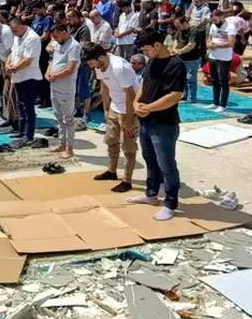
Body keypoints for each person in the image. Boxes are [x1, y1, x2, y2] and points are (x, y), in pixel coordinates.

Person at [128, 26, 186, 221]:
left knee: (167, 165)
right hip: (146, 121)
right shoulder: (152, 61)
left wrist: (150, 107)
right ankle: (151, 193)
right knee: (150, 160)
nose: (146, 54)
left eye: (147, 50)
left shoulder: (176, 64)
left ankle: (171, 203)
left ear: (158, 44)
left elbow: (175, 95)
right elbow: (144, 84)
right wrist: (137, 102)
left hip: (164, 123)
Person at [83, 41, 139, 192]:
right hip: (115, 107)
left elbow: (131, 96)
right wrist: (106, 109)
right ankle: (112, 171)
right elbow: (104, 87)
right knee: (111, 141)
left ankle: (127, 180)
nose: (91, 67)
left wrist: (128, 120)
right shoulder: (100, 66)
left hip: (129, 109)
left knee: (128, 145)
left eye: (92, 63)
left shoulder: (119, 68)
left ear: (101, 57)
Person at [6, 17, 44, 148]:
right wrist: (8, 63)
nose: (14, 34)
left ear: (22, 27)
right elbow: (13, 52)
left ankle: (29, 135)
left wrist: (14, 68)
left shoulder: (32, 38)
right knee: (20, 105)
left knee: (28, 107)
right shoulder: (18, 36)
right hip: (18, 76)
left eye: (15, 31)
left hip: (29, 77)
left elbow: (28, 60)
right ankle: (21, 131)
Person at [45, 23, 81, 158]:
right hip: (54, 85)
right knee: (58, 116)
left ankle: (69, 148)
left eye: (56, 36)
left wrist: (55, 76)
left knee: (68, 119)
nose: (54, 39)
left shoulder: (74, 46)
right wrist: (48, 73)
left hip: (66, 87)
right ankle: (61, 143)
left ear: (64, 32)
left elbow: (70, 68)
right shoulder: (58, 44)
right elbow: (53, 61)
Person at [205, 10, 236, 113]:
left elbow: (230, 43)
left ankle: (223, 104)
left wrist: (217, 46)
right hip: (213, 56)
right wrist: (209, 44)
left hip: (224, 58)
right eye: (213, 20)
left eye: (216, 20)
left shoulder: (230, 26)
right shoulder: (213, 26)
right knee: (214, 80)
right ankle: (215, 102)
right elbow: (209, 38)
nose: (215, 22)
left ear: (221, 17)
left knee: (223, 81)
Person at [172, 16, 201, 102]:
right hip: (181, 58)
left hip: (192, 58)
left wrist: (179, 51)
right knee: (182, 78)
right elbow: (175, 41)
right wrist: (175, 49)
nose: (178, 28)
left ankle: (192, 97)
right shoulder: (179, 31)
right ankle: (185, 95)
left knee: (191, 78)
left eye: (179, 26)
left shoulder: (194, 31)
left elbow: (191, 45)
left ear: (185, 23)